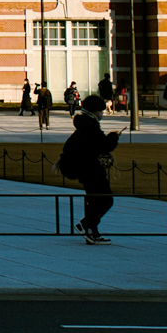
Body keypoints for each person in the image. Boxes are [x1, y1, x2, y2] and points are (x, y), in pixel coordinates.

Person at [58, 94, 119, 244]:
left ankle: (92, 232)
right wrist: (113, 138)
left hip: (85, 169)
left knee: (94, 201)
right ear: (95, 111)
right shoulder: (90, 127)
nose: (102, 114)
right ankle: (85, 225)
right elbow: (104, 146)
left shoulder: (85, 125)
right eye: (101, 111)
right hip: (90, 169)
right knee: (105, 200)